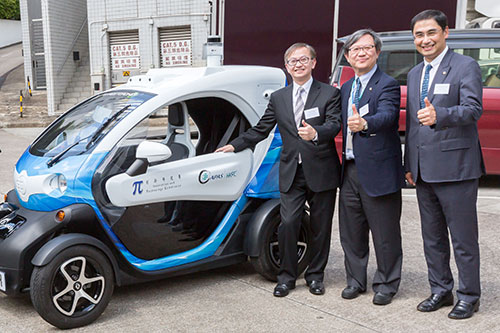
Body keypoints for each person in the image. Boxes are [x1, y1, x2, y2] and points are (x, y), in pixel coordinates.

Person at [216, 43, 341, 297]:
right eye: (292, 61)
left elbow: (335, 124)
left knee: (320, 226)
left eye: (303, 59)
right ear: (286, 67)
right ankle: (287, 277)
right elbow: (261, 129)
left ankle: (316, 276)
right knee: (289, 223)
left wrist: (316, 132)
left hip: (321, 170)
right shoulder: (279, 97)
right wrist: (235, 145)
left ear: (314, 63)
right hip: (291, 171)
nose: (298, 64)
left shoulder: (329, 93)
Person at [405, 9, 484, 319]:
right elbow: (412, 126)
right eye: (419, 35)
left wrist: (442, 115)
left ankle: (469, 295)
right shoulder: (414, 74)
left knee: (463, 238)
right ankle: (440, 289)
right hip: (424, 170)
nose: (425, 40)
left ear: (446, 33)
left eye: (431, 33)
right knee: (432, 237)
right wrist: (409, 164)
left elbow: (472, 109)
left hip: (457, 167)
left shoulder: (465, 66)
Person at [337, 29, 404, 306]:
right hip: (350, 169)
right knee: (351, 231)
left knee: (385, 232)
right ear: (348, 56)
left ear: (377, 52)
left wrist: (366, 124)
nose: (360, 53)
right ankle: (355, 280)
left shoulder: (387, 84)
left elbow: (388, 116)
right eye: (355, 49)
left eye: (366, 48)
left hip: (379, 169)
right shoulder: (345, 88)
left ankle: (387, 284)